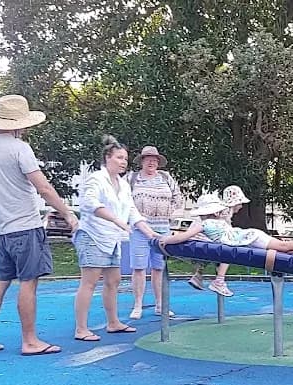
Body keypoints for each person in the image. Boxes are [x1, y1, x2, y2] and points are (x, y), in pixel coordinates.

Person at [0, 95, 78, 356]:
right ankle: (30, 341)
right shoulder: (20, 148)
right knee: (28, 282)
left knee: (0, 280)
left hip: (0, 228)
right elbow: (42, 187)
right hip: (25, 226)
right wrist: (67, 214)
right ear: (20, 124)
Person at [72, 135, 158, 341]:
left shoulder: (124, 184)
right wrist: (116, 221)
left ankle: (113, 322)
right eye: (119, 157)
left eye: (125, 159)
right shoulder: (95, 179)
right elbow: (89, 204)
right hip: (92, 235)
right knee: (90, 281)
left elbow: (132, 211)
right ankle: (81, 329)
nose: (123, 162)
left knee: (114, 280)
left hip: (112, 239)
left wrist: (151, 233)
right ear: (107, 158)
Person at [162, 194, 293, 292]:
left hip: (250, 238)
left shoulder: (204, 224)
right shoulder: (217, 222)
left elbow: (182, 237)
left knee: (284, 247)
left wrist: (164, 240)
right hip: (246, 240)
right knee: (285, 253)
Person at [125, 146, 184, 320]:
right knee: (139, 267)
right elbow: (124, 201)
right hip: (139, 228)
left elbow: (178, 197)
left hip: (162, 228)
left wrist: (167, 213)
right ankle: (137, 305)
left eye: (155, 159)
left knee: (159, 267)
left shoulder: (166, 178)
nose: (151, 162)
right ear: (142, 161)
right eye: (148, 158)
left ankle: (160, 304)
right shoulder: (131, 178)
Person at [188, 185, 251, 297]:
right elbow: (225, 232)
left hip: (195, 240)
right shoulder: (225, 211)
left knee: (213, 250)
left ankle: (198, 275)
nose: (241, 206)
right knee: (228, 248)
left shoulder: (221, 210)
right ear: (234, 203)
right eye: (240, 203)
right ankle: (219, 280)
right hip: (202, 239)